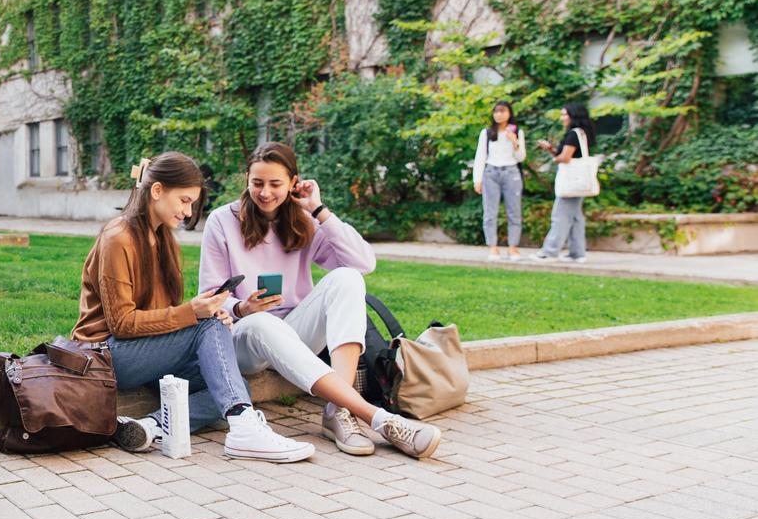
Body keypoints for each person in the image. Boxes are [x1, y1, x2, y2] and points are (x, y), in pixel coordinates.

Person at [199, 142, 442, 460]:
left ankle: (337, 411)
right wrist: (243, 307)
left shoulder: (302, 218)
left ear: (293, 182)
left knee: (349, 278)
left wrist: (319, 210)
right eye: (257, 183)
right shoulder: (222, 221)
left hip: (296, 333)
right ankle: (378, 418)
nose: (265, 192)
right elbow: (209, 297)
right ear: (247, 180)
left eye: (275, 184)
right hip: (246, 337)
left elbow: (363, 263)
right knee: (262, 323)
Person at [74, 151, 315, 462]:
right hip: (106, 353)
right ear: (157, 191)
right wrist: (194, 315)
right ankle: (243, 429)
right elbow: (122, 323)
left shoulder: (161, 238)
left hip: (143, 350)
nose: (188, 213)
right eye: (184, 201)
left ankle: (152, 425)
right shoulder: (118, 237)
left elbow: (162, 316)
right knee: (209, 328)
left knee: (232, 385)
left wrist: (201, 314)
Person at [534, 102, 598, 263]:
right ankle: (577, 253)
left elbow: (565, 157)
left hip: (571, 182)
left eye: (565, 114)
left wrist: (555, 158)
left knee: (560, 215)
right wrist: (551, 149)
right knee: (576, 217)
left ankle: (550, 251)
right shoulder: (583, 133)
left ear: (573, 116)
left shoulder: (572, 134)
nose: (562, 118)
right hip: (580, 182)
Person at [472, 100, 526, 261]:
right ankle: (493, 247)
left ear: (509, 113)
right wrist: (477, 178)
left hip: (511, 172)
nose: (499, 115)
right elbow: (480, 156)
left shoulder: (517, 132)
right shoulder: (487, 133)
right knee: (490, 212)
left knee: (514, 212)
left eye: (502, 111)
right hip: (491, 172)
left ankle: (513, 248)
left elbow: (521, 157)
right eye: (496, 111)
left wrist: (514, 142)